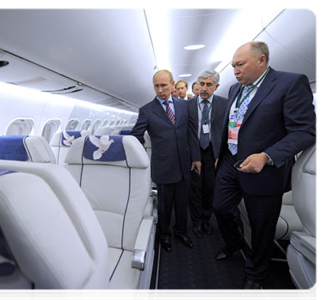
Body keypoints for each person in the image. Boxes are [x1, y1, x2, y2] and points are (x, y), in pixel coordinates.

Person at [212, 41, 318, 299]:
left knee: (262, 226)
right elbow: (232, 124)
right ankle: (236, 242)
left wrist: (267, 156)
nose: (235, 70)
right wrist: (221, 153)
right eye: (233, 65)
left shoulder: (290, 83)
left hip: (264, 168)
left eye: (240, 64)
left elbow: (305, 131)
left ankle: (256, 273)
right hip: (230, 160)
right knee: (220, 207)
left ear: (261, 61)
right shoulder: (235, 87)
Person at [131, 70, 201, 252]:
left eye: (164, 85)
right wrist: (145, 157)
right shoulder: (146, 110)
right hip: (163, 165)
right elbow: (135, 136)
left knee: (182, 202)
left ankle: (181, 232)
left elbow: (191, 133)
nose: (160, 90)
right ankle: (164, 235)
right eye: (157, 86)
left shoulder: (185, 106)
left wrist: (196, 158)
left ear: (172, 84)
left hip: (184, 163)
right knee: (165, 205)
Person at [187, 70, 227, 237]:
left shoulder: (224, 104)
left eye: (208, 84)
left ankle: (206, 220)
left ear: (216, 86)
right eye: (201, 84)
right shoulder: (187, 106)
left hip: (213, 153)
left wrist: (221, 154)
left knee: (210, 189)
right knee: (195, 189)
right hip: (194, 152)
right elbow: (187, 133)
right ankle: (196, 221)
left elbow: (227, 131)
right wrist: (195, 157)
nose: (204, 88)